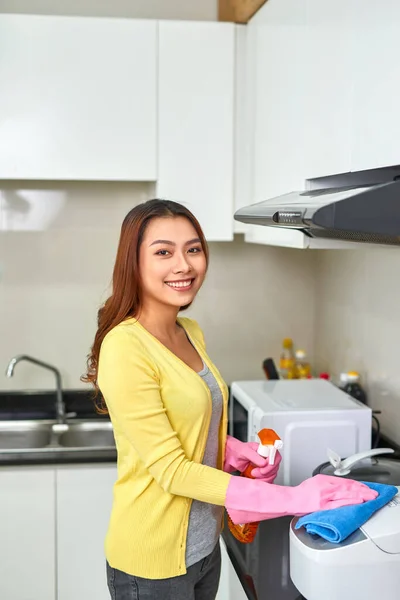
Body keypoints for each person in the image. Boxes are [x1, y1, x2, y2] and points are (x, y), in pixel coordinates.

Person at [83, 199, 377, 600]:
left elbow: (188, 426)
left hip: (206, 549)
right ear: (133, 263)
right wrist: (297, 497)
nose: (184, 265)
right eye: (163, 252)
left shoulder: (189, 331)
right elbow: (172, 470)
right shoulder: (126, 347)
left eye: (194, 248)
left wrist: (233, 451)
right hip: (152, 565)